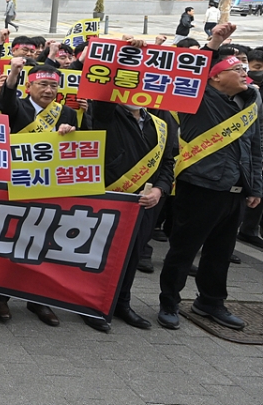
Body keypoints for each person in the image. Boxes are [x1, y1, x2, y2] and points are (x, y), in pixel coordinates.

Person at [158, 23, 263, 331]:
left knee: (220, 252)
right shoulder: (199, 98)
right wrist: (215, 41)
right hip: (200, 185)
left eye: (246, 69)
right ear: (216, 76)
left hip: (236, 189)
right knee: (184, 250)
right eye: (237, 69)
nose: (245, 73)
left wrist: (255, 185)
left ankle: (210, 302)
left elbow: (256, 147)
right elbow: (192, 73)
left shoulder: (251, 103)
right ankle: (169, 303)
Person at [81, 42, 177, 332]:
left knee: (133, 253)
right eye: (131, 82)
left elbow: (168, 161)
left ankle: (122, 302)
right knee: (101, 253)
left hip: (145, 201)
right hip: (109, 197)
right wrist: (126, 55)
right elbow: (105, 89)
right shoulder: (107, 114)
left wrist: (160, 189)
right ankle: (91, 305)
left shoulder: (162, 123)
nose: (138, 89)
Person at [0, 58, 78, 328]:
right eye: (43, 84)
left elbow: (79, 148)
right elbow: (5, 101)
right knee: (10, 241)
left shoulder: (66, 113)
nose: (49, 90)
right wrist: (14, 73)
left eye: (54, 85)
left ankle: (39, 299)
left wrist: (71, 133)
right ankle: (1, 298)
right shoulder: (16, 106)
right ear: (28, 87)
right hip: (15, 185)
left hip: (49, 187)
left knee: (44, 244)